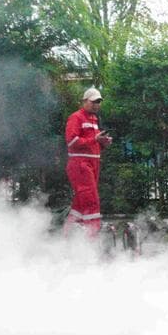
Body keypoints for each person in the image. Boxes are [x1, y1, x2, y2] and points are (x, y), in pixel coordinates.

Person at [63, 88, 113, 236]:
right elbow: (72, 140)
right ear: (84, 101)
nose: (96, 105)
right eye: (93, 102)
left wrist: (103, 143)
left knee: (80, 203)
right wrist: (95, 139)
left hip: (92, 164)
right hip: (80, 165)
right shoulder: (76, 117)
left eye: (98, 102)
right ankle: (93, 236)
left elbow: (92, 144)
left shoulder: (94, 120)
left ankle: (68, 236)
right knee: (91, 200)